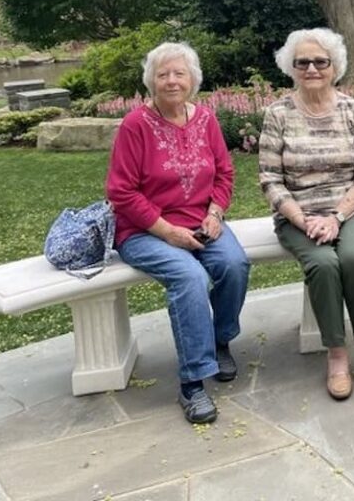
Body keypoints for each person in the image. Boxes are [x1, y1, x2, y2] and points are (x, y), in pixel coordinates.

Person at [106, 42, 250, 425]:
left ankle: (220, 340)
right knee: (189, 277)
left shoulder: (206, 119)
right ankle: (192, 382)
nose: (171, 81)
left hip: (203, 222)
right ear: (151, 80)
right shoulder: (136, 125)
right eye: (163, 74)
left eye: (179, 73)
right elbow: (121, 191)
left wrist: (216, 212)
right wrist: (167, 231)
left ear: (193, 80)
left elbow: (224, 174)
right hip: (144, 230)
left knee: (234, 264)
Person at [258, 28, 354, 400]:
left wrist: (336, 218)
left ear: (334, 67)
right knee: (323, 263)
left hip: (348, 208)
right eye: (303, 62)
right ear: (291, 68)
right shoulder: (277, 114)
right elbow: (270, 179)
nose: (312, 68)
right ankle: (336, 354)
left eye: (320, 61)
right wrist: (303, 220)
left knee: (351, 258)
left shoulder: (353, 110)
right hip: (297, 214)